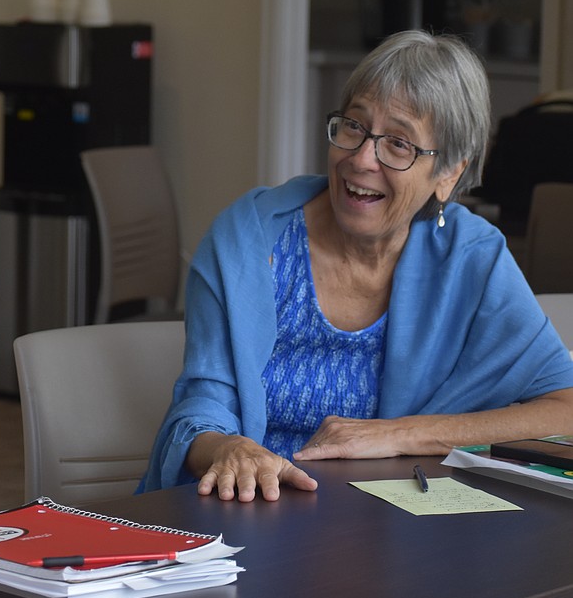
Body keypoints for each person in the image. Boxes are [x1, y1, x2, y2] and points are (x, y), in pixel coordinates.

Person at [138, 30, 573, 502]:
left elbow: (565, 405)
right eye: (354, 127)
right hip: (247, 514)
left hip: (393, 525)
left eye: (399, 144)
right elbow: (201, 408)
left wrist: (402, 433)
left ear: (448, 174)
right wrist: (230, 449)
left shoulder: (472, 258)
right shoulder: (248, 241)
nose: (362, 159)